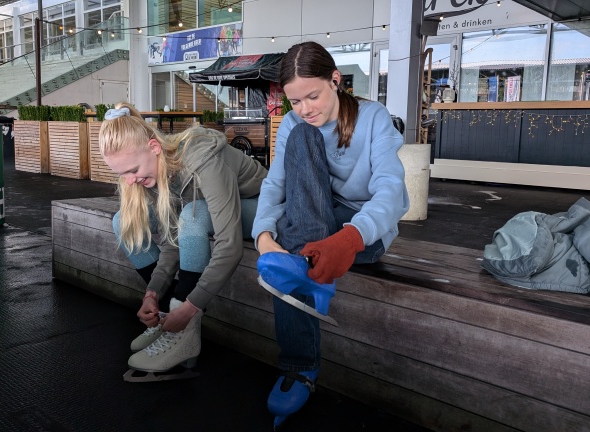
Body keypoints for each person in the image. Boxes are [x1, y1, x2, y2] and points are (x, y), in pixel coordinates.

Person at [251, 41, 409, 427]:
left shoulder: (374, 119)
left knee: (293, 249)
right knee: (300, 143)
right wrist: (262, 236)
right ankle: (300, 364)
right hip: (310, 224)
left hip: (360, 233)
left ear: (335, 80)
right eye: (294, 101)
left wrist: (349, 238)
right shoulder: (295, 124)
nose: (305, 109)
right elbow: (275, 185)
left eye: (313, 95)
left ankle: (299, 359)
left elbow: (392, 191)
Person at [99, 103, 267, 378]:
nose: (129, 181)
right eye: (122, 175)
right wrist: (152, 293)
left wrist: (190, 307)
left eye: (132, 170)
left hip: (261, 207)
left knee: (192, 215)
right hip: (212, 212)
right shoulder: (155, 173)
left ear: (154, 147)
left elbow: (230, 245)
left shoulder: (202, 158)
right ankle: (165, 313)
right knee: (124, 220)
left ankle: (182, 327)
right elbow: (173, 241)